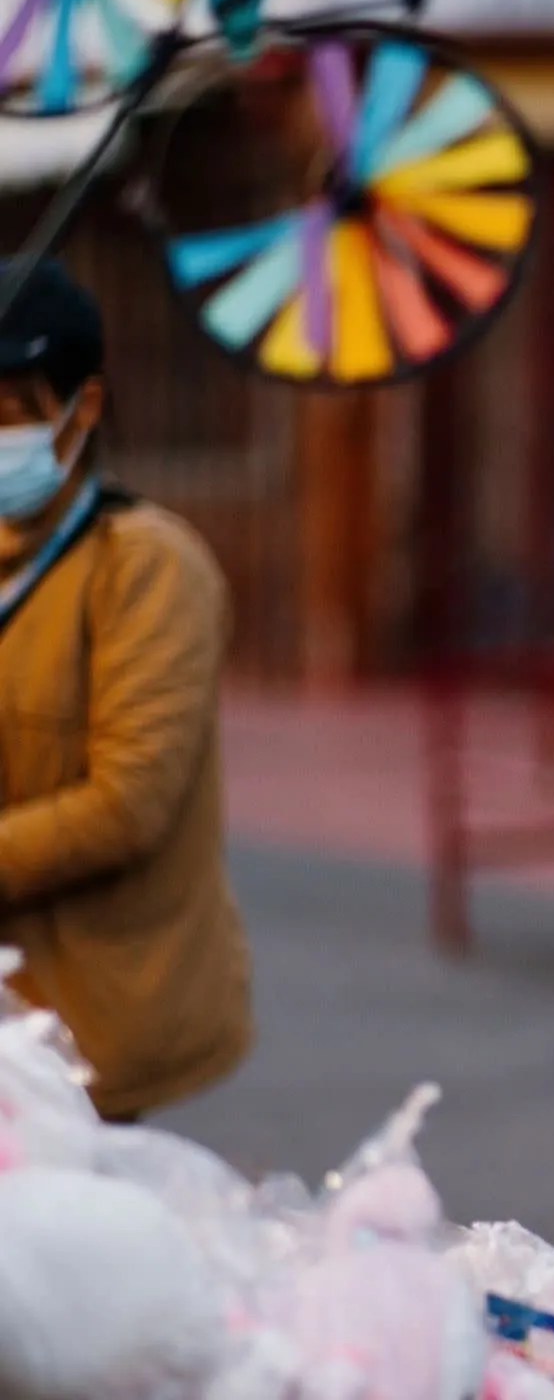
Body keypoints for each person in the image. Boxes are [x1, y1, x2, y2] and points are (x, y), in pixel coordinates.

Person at [0, 256, 251, 1123]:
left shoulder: (147, 565)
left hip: (93, 1029)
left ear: (85, 408)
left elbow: (129, 802)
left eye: (11, 414)